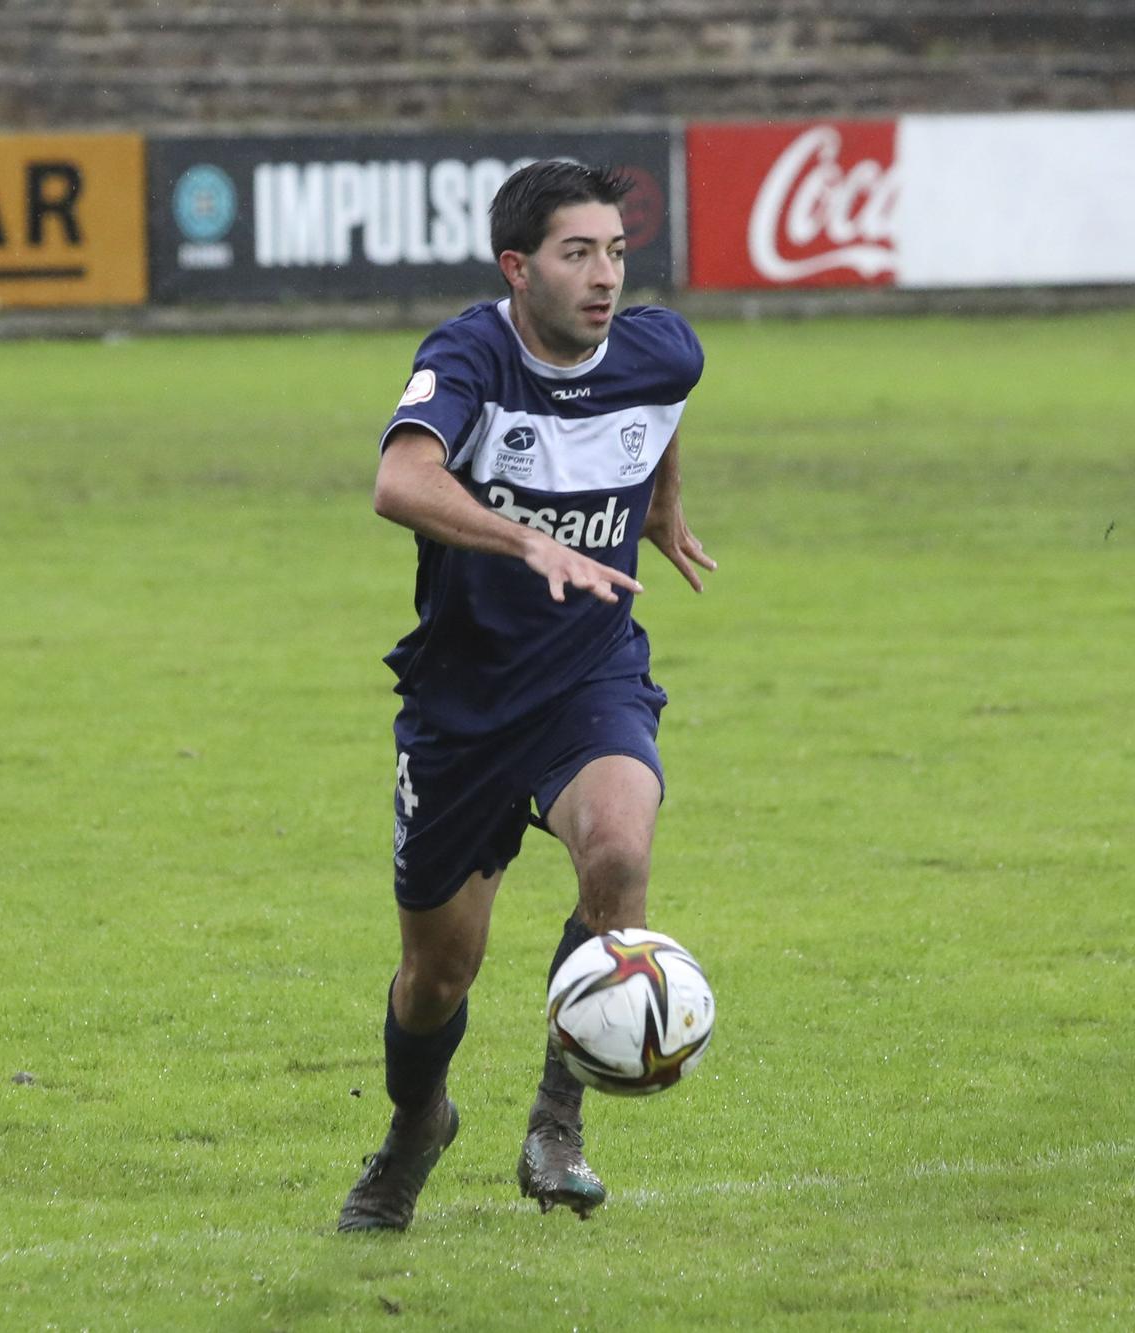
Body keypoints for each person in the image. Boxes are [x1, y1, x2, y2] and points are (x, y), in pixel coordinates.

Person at [336, 160, 717, 1230]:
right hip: (460, 702)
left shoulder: (657, 346)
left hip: (588, 676)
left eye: (613, 252)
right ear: (517, 266)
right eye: (575, 253)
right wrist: (524, 538)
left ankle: (558, 1117)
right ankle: (415, 1128)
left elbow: (663, 404)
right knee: (435, 975)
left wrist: (660, 510)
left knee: (618, 854)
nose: (603, 276)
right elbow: (397, 482)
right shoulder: (469, 354)